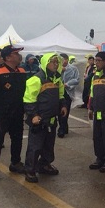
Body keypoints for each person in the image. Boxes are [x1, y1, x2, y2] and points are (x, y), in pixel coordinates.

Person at [0, 45, 27, 182]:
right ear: (8, 57)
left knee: (17, 139)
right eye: (16, 53)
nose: (19, 56)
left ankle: (15, 163)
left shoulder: (22, 71)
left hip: (17, 113)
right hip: (1, 114)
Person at [23, 52, 67, 183]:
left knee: (49, 145)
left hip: (52, 119)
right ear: (45, 63)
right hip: (39, 120)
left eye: (57, 62)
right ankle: (30, 170)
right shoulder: (36, 79)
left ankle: (44, 164)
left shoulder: (57, 79)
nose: (55, 64)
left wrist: (63, 105)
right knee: (35, 146)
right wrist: (33, 115)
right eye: (52, 62)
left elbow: (61, 95)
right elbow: (28, 100)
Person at [88, 51, 105, 172]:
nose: (96, 63)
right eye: (96, 60)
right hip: (97, 111)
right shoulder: (95, 75)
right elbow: (92, 92)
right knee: (97, 137)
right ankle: (100, 158)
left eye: (99, 60)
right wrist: (90, 107)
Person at [57, 53, 79, 138]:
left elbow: (76, 80)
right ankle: (64, 127)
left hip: (68, 92)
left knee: (65, 111)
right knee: (59, 111)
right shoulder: (57, 69)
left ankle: (62, 129)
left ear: (67, 59)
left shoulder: (73, 69)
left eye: (63, 60)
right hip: (58, 92)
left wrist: (68, 84)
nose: (62, 62)